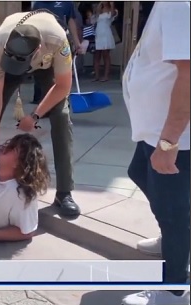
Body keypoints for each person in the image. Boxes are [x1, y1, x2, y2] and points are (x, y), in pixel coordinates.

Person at [121, 2, 190, 305]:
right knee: (138, 172)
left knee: (173, 209)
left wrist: (169, 142)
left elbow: (188, 74)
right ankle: (174, 238)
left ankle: (176, 288)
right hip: (154, 130)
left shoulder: (178, 5)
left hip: (171, 135)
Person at [0, 10, 80, 216]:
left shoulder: (58, 41)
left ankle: (64, 193)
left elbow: (63, 86)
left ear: (38, 50)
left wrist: (34, 115)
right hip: (11, 61)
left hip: (47, 64)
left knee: (61, 116)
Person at [30, 1, 83, 105]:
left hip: (62, 42)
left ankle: (63, 104)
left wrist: (77, 42)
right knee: (44, 74)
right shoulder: (38, 4)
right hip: (44, 43)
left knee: (62, 73)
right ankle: (44, 104)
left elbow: (71, 21)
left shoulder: (66, 3)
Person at [92, 2, 118, 82]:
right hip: (98, 33)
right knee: (97, 55)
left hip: (106, 33)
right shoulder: (99, 9)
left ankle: (106, 76)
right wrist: (98, 7)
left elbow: (112, 15)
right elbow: (93, 20)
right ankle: (96, 76)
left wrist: (112, 4)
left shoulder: (113, 10)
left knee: (105, 55)